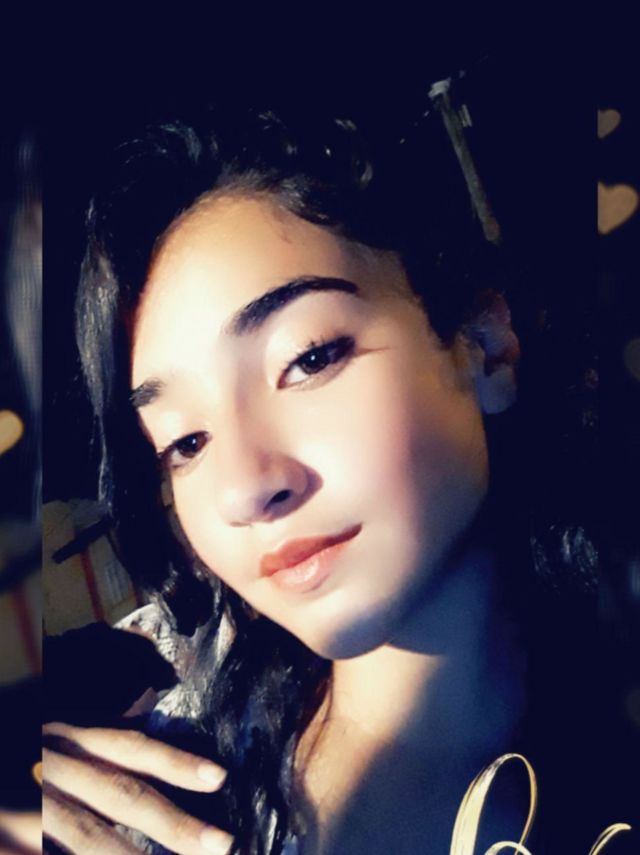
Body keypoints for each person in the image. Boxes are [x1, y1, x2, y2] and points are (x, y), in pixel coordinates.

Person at [42, 103, 630, 854]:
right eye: (185, 441)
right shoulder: (170, 720)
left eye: (308, 359)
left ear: (483, 348)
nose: (244, 489)